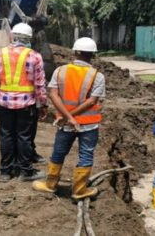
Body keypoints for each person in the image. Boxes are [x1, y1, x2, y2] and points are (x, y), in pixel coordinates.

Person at [33, 37, 105, 200]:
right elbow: (92, 101)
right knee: (86, 154)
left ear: (75, 52)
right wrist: (72, 117)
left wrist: (67, 117)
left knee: (59, 152)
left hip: (64, 124)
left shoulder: (61, 71)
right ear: (92, 55)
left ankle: (50, 185)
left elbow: (52, 94)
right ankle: (79, 190)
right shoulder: (97, 76)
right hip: (88, 125)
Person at [0, 22, 47, 182]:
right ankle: (26, 171)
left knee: (6, 136)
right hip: (26, 104)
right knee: (24, 137)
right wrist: (43, 104)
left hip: (4, 103)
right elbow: (40, 84)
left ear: (12, 36)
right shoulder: (35, 56)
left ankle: (6, 171)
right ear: (29, 39)